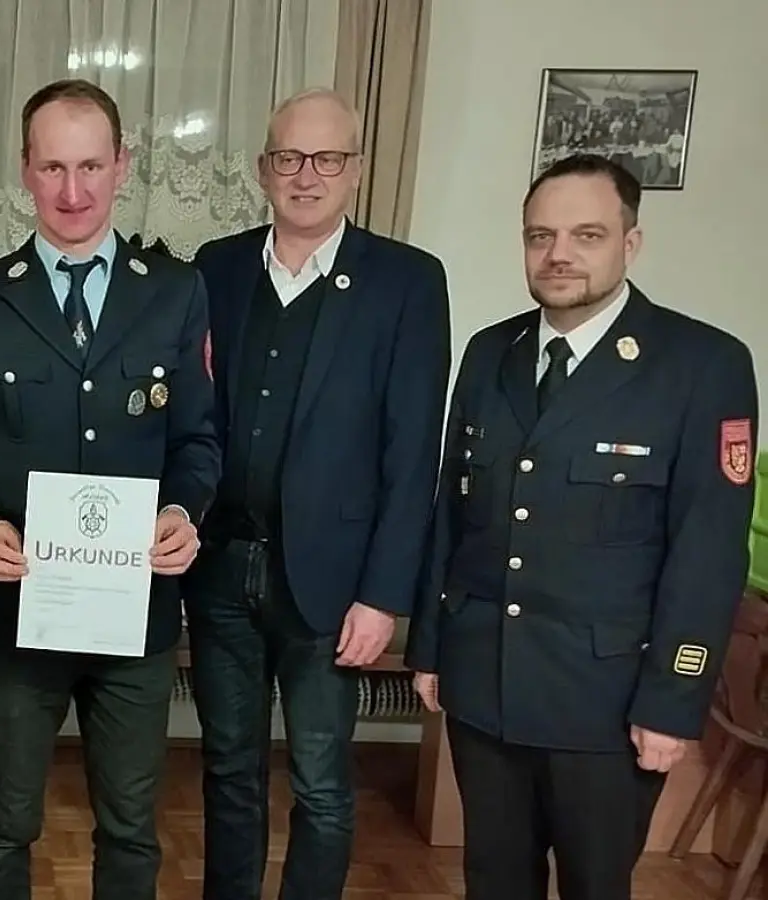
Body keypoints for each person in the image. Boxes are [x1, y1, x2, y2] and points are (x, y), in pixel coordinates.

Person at [405, 153, 758, 900]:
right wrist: (431, 648)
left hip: (606, 701)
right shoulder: (490, 351)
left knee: (597, 885)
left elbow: (708, 551)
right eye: (540, 236)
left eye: (585, 235)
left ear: (630, 244)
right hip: (484, 681)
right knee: (493, 880)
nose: (558, 254)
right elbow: (453, 510)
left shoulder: (702, 364)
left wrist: (673, 701)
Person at [0, 78, 221, 900]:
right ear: (25, 171)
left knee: (130, 823)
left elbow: (197, 440)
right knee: (5, 821)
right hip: (19, 613)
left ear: (124, 165)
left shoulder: (175, 291)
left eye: (91, 165)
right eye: (53, 167)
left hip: (136, 615)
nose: (73, 190)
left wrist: (184, 513)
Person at [184, 88, 451, 899]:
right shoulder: (216, 269)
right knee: (227, 768)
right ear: (264, 169)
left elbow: (414, 455)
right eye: (289, 158)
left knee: (323, 782)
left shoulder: (406, 281)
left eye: (327, 158)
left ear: (357, 170)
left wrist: (383, 596)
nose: (307, 175)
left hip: (334, 586)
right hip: (224, 570)